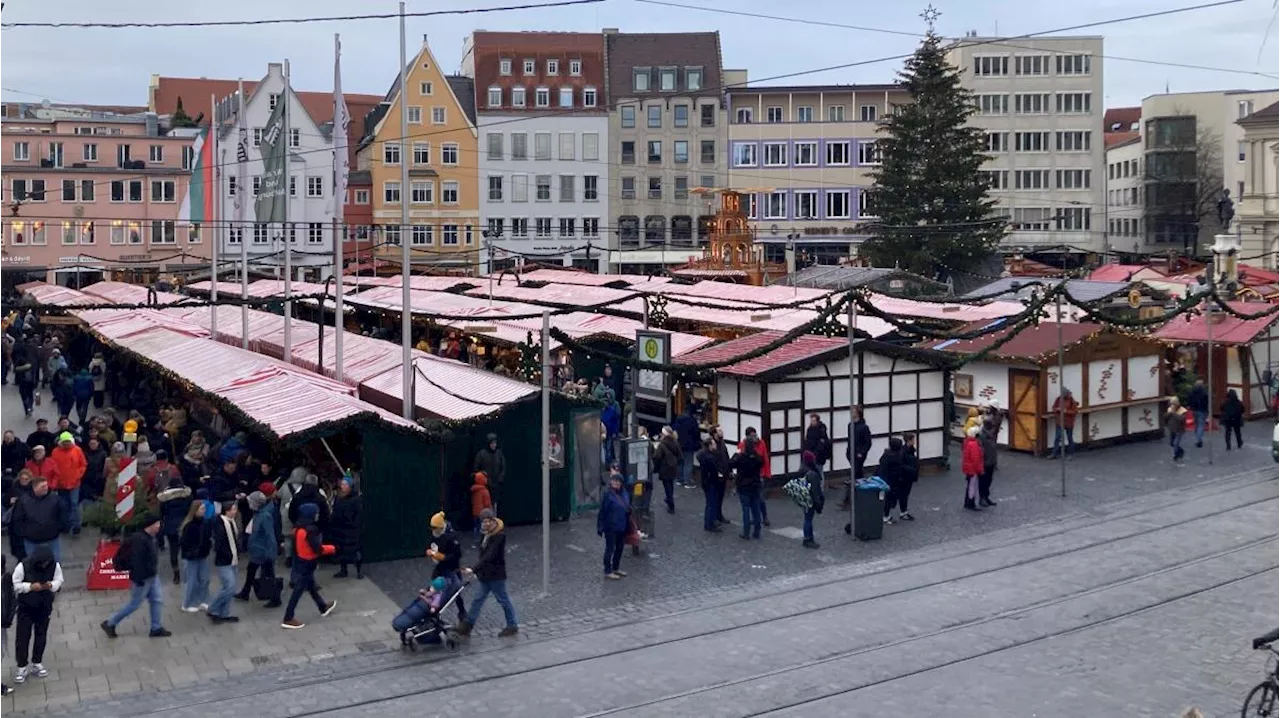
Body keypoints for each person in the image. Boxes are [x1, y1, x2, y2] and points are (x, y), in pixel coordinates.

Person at [101, 514, 171, 638]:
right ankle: (110, 622)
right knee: (134, 604)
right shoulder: (141, 540)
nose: (160, 526)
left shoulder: (151, 537)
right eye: (158, 524)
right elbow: (137, 561)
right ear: (151, 525)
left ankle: (156, 627)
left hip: (151, 575)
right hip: (142, 578)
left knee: (157, 600)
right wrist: (139, 579)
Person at [456, 508, 518, 637]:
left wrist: (473, 569)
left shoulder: (499, 536)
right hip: (485, 576)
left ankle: (512, 625)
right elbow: (484, 556)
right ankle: (467, 625)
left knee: (503, 600)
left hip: (496, 576)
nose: (486, 523)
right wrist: (476, 571)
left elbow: (489, 556)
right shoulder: (485, 535)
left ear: (493, 521)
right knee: (478, 600)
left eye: (488, 521)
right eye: (484, 521)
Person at [10, 545, 63, 684]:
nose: (45, 565)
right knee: (23, 637)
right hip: (26, 607)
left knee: (41, 634)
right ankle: (21, 666)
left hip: (44, 606)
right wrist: (29, 587)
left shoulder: (54, 565)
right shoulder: (23, 566)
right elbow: (15, 584)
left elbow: (59, 580)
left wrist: (50, 585)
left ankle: (37, 662)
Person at [281, 503, 337, 629]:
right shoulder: (310, 530)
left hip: (301, 561)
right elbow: (318, 549)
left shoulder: (298, 528)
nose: (317, 514)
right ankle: (288, 618)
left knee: (310, 586)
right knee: (298, 591)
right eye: (315, 512)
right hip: (308, 562)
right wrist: (333, 548)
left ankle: (322, 607)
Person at [237, 491, 281, 607]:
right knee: (252, 570)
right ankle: (246, 592)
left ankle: (275, 598)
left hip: (262, 551)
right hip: (258, 549)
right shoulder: (260, 513)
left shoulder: (264, 516)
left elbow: (269, 536)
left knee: (268, 574)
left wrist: (270, 553)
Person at [12, 476, 65, 561]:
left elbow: (62, 514)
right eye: (42, 486)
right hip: (32, 541)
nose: (46, 488)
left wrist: (58, 528)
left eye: (46, 485)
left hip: (51, 538)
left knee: (55, 564)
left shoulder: (55, 498)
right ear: (35, 488)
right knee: (32, 565)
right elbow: (17, 520)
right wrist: (25, 533)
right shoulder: (23, 501)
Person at [426, 511, 467, 622]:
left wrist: (442, 557)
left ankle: (462, 612)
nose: (434, 531)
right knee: (434, 587)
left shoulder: (451, 537)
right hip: (440, 567)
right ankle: (433, 608)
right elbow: (431, 545)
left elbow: (457, 555)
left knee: (456, 590)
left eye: (435, 529)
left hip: (452, 568)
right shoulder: (435, 535)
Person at [206, 501, 240, 624]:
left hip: (233, 559)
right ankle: (213, 608)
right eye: (233, 509)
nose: (235, 512)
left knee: (229, 587)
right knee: (229, 587)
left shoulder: (231, 522)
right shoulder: (221, 524)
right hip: (225, 560)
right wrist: (227, 554)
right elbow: (219, 544)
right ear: (227, 510)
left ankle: (224, 613)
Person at [156, 475, 192, 584]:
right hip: (185, 526)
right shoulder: (187, 496)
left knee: (173, 550)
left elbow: (162, 514)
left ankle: (176, 574)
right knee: (188, 550)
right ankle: (189, 573)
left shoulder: (164, 499)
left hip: (171, 526)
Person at [178, 501, 212, 613]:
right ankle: (187, 603)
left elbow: (207, 538)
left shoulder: (205, 523)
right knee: (192, 581)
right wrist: (191, 553)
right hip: (191, 557)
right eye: (201, 509)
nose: (204, 511)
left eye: (204, 509)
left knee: (204, 579)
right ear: (195, 510)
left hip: (202, 555)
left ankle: (203, 601)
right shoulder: (189, 526)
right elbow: (184, 543)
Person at [50, 431, 86, 535]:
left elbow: (83, 465)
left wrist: (77, 476)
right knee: (64, 505)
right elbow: (53, 467)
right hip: (61, 484)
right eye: (64, 442)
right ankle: (65, 525)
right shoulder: (55, 452)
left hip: (74, 483)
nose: (66, 444)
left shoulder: (77, 450)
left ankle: (76, 525)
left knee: (74, 504)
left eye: (68, 442)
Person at [731, 434, 765, 540]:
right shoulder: (757, 457)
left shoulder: (741, 457)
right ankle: (757, 532)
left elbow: (731, 464)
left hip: (744, 486)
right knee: (756, 509)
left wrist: (736, 454)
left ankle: (746, 533)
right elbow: (761, 463)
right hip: (755, 485)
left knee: (746, 510)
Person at [597, 472, 630, 580]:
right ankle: (608, 570)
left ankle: (616, 568)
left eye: (618, 481)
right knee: (610, 548)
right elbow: (602, 511)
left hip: (622, 525)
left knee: (619, 548)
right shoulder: (608, 495)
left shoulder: (625, 493)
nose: (615, 483)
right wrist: (600, 526)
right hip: (610, 526)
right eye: (614, 480)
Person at [737, 427, 772, 527]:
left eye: (755, 435)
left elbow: (765, 458)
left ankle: (764, 516)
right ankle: (756, 518)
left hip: (759, 474)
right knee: (754, 499)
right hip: (749, 476)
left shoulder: (761, 443)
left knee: (760, 498)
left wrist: (767, 472)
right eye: (752, 436)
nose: (755, 437)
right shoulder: (743, 445)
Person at [330, 478, 363, 579]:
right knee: (341, 550)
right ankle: (343, 570)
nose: (343, 487)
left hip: (351, 529)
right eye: (342, 485)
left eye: (345, 485)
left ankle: (359, 571)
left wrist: (355, 525)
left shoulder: (356, 499)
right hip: (341, 528)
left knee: (356, 551)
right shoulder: (338, 498)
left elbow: (359, 514)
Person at [843, 408, 872, 510]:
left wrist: (862, 452)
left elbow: (868, 442)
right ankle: (862, 497)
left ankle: (848, 500)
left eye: (853, 412)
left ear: (858, 414)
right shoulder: (850, 425)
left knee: (854, 475)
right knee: (858, 476)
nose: (851, 414)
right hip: (851, 454)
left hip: (859, 455)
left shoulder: (864, 427)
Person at [472, 434, 506, 512]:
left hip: (496, 483)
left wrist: (500, 478)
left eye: (495, 443)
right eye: (492, 443)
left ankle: (494, 520)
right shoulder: (481, 454)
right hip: (485, 485)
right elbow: (476, 469)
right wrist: (483, 477)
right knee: (485, 505)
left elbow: (503, 467)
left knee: (495, 504)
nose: (494, 445)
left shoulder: (499, 454)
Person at [651, 426, 682, 514]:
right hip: (673, 467)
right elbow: (680, 455)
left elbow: (657, 457)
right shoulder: (675, 442)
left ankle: (670, 502)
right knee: (671, 484)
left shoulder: (662, 445)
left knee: (667, 485)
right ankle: (669, 498)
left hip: (664, 468)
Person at [696, 437, 723, 533]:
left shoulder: (703, 455)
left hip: (705, 481)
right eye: (714, 444)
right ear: (710, 445)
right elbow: (714, 471)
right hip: (711, 482)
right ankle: (709, 524)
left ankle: (709, 522)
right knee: (711, 503)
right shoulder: (710, 458)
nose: (715, 445)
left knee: (710, 503)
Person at [799, 450, 825, 549]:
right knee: (808, 519)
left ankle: (808, 538)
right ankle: (808, 539)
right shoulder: (812, 474)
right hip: (810, 500)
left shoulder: (802, 470)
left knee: (807, 518)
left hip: (804, 498)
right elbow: (815, 491)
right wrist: (819, 503)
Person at [7, 470, 35, 559]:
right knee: (16, 542)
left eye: (26, 479)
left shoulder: (33, 489)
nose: (24, 480)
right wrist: (10, 501)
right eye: (22, 478)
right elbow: (6, 500)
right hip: (15, 519)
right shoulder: (13, 487)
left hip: (28, 519)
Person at [672, 404, 701, 489]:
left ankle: (679, 479)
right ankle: (687, 481)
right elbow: (696, 433)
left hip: (679, 444)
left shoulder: (678, 419)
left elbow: (674, 429)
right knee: (688, 463)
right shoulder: (692, 421)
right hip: (689, 444)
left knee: (680, 462)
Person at [878, 437, 905, 524]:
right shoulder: (896, 457)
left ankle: (886, 515)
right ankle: (886, 516)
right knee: (889, 499)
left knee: (885, 498)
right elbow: (898, 470)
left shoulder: (886, 455)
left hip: (883, 479)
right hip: (892, 481)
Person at [710, 425, 732, 525]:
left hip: (723, 474)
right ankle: (713, 517)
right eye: (719, 431)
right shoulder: (711, 444)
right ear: (714, 433)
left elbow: (726, 457)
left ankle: (719, 515)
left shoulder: (722, 443)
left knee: (720, 497)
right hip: (714, 476)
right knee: (714, 498)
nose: (721, 432)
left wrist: (729, 470)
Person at [979, 413, 1001, 508]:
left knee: (989, 480)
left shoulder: (990, 434)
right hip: (985, 462)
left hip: (991, 461)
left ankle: (986, 497)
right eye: (991, 424)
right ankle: (982, 498)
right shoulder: (982, 436)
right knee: (983, 481)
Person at [896, 433, 919, 522]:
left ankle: (904, 511)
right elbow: (902, 464)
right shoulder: (904, 451)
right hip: (905, 476)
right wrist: (911, 469)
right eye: (913, 440)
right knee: (903, 495)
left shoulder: (910, 450)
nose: (914, 441)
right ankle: (903, 512)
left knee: (905, 494)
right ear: (909, 440)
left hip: (909, 476)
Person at [961, 425, 984, 511]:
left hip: (968, 468)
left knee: (970, 485)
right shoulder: (974, 444)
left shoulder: (967, 442)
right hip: (972, 469)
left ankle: (968, 502)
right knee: (972, 486)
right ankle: (970, 503)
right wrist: (980, 470)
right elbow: (976, 459)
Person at [13, 336, 37, 416]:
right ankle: (29, 406)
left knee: (24, 395)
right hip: (30, 380)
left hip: (22, 380)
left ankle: (27, 408)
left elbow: (16, 369)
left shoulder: (19, 358)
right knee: (30, 394)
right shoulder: (33, 354)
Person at [1051, 389, 1079, 458]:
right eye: (1068, 394)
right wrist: (1056, 410)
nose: (1070, 395)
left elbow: (1075, 411)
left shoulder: (1072, 401)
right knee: (1057, 437)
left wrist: (1065, 411)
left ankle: (1071, 454)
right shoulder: (1058, 399)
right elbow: (1054, 408)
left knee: (1069, 437)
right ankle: (1054, 454)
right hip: (1060, 422)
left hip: (1069, 422)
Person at [81, 436, 108, 502]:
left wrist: (101, 476)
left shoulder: (103, 454)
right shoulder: (85, 453)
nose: (92, 445)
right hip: (87, 479)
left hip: (98, 480)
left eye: (94, 443)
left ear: (98, 443)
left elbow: (105, 466)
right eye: (91, 444)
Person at [470, 472, 493, 540]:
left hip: (475, 512)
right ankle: (483, 540)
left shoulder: (474, 490)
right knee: (483, 527)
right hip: (483, 513)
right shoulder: (484, 491)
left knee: (476, 527)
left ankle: (476, 539)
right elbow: (487, 503)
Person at [1187, 378, 1209, 448]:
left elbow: (1189, 400)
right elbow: (1208, 401)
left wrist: (1190, 407)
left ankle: (1198, 438)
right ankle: (1199, 440)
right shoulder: (1205, 393)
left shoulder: (1192, 392)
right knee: (1201, 425)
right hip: (1203, 410)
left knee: (1196, 424)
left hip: (1194, 410)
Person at [1166, 397, 1188, 462]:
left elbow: (1182, 419)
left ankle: (1176, 455)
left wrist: (1174, 413)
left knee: (1175, 443)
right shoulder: (1169, 409)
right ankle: (1180, 451)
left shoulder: (1182, 410)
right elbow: (1166, 418)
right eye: (1171, 404)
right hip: (1172, 429)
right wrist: (1168, 415)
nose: (1172, 405)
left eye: (1173, 404)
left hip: (1179, 429)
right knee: (1172, 443)